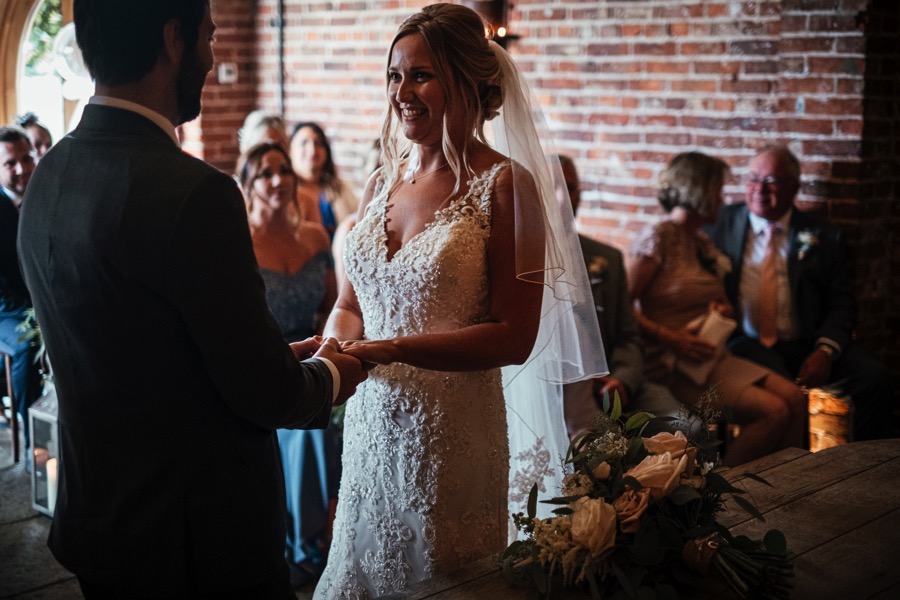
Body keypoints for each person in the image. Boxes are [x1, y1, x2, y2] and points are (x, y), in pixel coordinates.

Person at [16, 2, 366, 599]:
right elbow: (263, 389)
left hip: (99, 524)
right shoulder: (195, 194)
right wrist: (334, 371)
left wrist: (282, 355)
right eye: (208, 35)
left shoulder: (49, 175)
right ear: (173, 39)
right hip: (197, 545)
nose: (211, 56)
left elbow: (150, 349)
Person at [314, 4, 606, 598]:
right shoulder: (380, 183)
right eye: (394, 75)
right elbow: (351, 300)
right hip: (371, 422)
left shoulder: (507, 185)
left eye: (421, 75)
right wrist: (334, 345)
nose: (403, 92)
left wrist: (388, 348)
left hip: (451, 434)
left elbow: (513, 333)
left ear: (467, 82)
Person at [627, 151, 807, 467]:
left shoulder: (702, 242)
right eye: (718, 191)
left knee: (795, 399)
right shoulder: (657, 237)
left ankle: (788, 489)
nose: (723, 200)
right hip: (671, 363)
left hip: (710, 355)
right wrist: (670, 338)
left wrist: (721, 310)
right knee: (773, 412)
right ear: (699, 190)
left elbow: (721, 303)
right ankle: (722, 491)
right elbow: (620, 307)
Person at [707, 145, 895, 441]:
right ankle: (796, 475)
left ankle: (861, 465)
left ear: (794, 187)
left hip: (808, 341)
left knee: (876, 380)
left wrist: (825, 350)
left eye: (771, 181)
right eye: (753, 179)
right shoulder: (720, 224)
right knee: (786, 391)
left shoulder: (822, 235)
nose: (759, 189)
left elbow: (841, 301)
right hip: (747, 342)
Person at [237, 141, 340, 588]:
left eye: (284, 171)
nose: (278, 180)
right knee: (308, 422)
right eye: (265, 173)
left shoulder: (316, 237)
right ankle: (303, 544)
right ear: (248, 185)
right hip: (265, 365)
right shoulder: (239, 242)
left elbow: (336, 305)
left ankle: (330, 532)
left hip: (317, 355)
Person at [556, 155, 691, 439]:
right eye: (553, 185)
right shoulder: (522, 264)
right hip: (558, 394)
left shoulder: (607, 259)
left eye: (570, 187)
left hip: (618, 385)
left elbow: (629, 336)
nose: (563, 197)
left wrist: (623, 379)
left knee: (687, 427)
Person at [0, 125, 42, 452]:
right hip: (6, 310)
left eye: (26, 158)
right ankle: (36, 446)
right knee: (30, 346)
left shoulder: (45, 195)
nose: (22, 169)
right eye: (10, 163)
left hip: (41, 300)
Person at [289, 121, 358, 240]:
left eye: (318, 143)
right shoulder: (286, 193)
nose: (312, 149)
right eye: (304, 143)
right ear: (290, 150)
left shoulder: (341, 188)